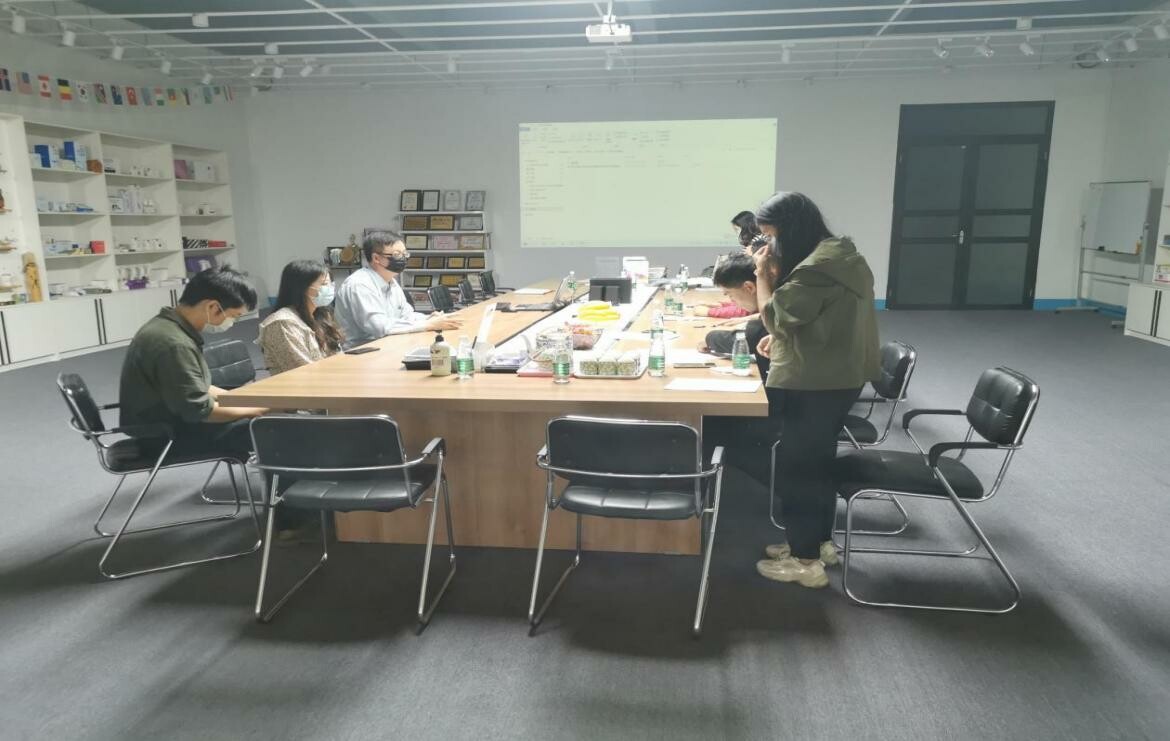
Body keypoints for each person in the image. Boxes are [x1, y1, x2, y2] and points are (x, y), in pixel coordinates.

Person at [751, 192, 880, 590]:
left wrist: (762, 275)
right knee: (819, 462)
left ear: (792, 230)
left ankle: (805, 562)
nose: (770, 245)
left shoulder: (815, 270)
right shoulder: (841, 257)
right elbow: (825, 318)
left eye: (773, 236)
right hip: (840, 373)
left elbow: (774, 315)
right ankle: (818, 545)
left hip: (818, 381)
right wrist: (785, 338)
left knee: (800, 469)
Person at [119, 266, 267, 462]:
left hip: (167, 423)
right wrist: (257, 410)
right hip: (167, 436)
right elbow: (200, 411)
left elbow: (199, 387)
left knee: (265, 414)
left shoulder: (167, 327)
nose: (233, 322)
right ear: (213, 307)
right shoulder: (174, 344)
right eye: (234, 315)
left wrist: (241, 400)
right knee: (274, 425)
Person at [334, 232, 461, 349]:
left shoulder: (391, 282)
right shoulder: (359, 284)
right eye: (397, 255)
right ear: (376, 258)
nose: (403, 258)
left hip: (386, 345)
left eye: (405, 254)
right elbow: (379, 327)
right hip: (359, 352)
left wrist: (428, 318)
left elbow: (406, 315)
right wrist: (429, 325)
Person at [259, 260, 344, 374]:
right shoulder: (282, 323)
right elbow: (304, 371)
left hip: (330, 379)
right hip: (304, 384)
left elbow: (337, 356)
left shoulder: (320, 315)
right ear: (302, 288)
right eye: (324, 284)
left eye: (330, 284)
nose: (330, 288)